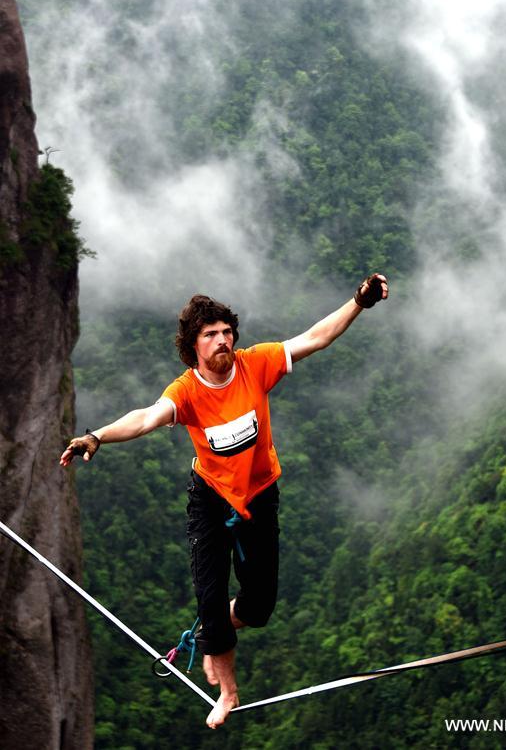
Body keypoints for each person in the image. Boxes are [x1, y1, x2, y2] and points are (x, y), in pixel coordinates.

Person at [60, 273, 388, 728]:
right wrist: (98, 436)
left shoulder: (256, 364)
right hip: (210, 502)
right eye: (210, 334)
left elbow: (315, 338)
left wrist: (358, 302)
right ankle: (227, 688)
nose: (221, 340)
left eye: (226, 332)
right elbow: (144, 418)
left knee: (258, 608)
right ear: (193, 345)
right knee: (210, 600)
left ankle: (214, 629)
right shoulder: (187, 391)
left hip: (259, 497)